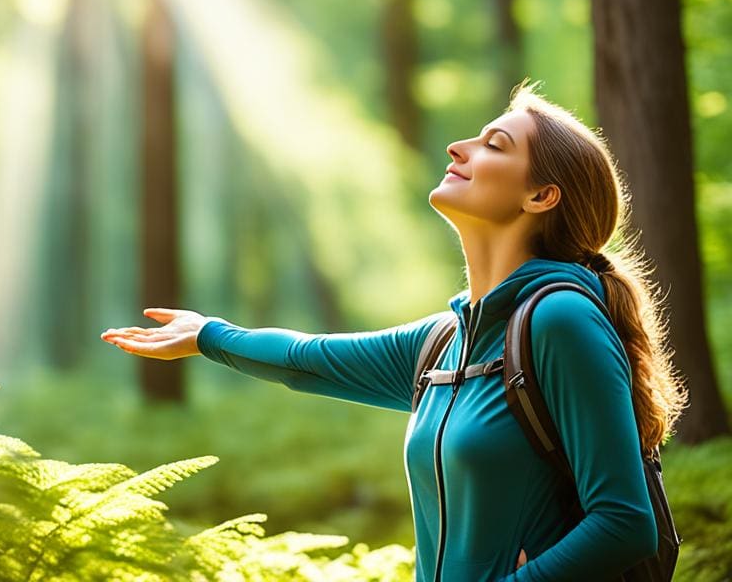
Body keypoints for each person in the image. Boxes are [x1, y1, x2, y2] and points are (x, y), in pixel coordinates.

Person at [101, 81, 688, 582]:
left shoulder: (561, 320)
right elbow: (310, 359)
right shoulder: (445, 341)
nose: (458, 146)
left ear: (541, 196)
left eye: (494, 145)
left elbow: (624, 522)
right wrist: (208, 334)